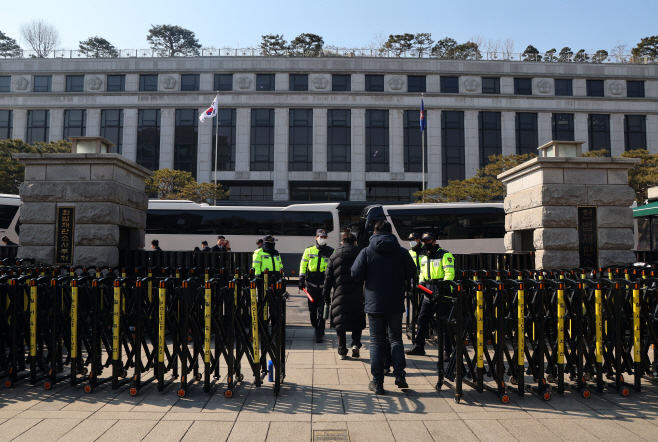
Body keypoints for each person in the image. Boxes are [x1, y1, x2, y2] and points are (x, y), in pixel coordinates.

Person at [351, 220, 416, 395]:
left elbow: (355, 273)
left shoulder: (366, 251)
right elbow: (412, 273)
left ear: (375, 233)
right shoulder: (402, 252)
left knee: (376, 342)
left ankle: (378, 382)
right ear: (391, 233)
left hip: (374, 303)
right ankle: (400, 374)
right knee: (396, 339)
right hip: (395, 301)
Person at [405, 232, 455, 360]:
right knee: (421, 319)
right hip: (428, 291)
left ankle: (446, 352)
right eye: (424, 241)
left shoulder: (444, 254)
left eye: (428, 240)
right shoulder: (424, 256)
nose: (426, 243)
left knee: (443, 322)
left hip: (442, 292)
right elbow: (422, 272)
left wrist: (442, 288)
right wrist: (421, 283)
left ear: (434, 241)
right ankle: (419, 347)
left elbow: (450, 274)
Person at [322, 231, 365, 360]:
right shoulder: (361, 254)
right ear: (354, 242)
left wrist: (326, 296)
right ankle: (356, 344)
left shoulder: (334, 255)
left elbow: (328, 278)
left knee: (340, 321)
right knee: (357, 319)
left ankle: (342, 351)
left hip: (339, 294)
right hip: (357, 293)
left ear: (342, 242)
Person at [299, 229, 334, 343]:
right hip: (311, 285)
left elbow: (333, 268)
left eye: (324, 237)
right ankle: (316, 326)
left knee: (321, 309)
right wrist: (301, 279)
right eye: (320, 236)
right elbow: (303, 265)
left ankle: (319, 331)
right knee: (312, 310)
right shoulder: (309, 250)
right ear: (316, 237)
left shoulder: (331, 252)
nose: (322, 239)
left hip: (324, 285)